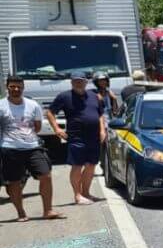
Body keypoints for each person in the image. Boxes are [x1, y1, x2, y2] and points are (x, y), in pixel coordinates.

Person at [2, 75, 62, 221]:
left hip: (32, 146)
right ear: (7, 87)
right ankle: (21, 212)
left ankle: (48, 210)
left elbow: (37, 126)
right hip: (9, 148)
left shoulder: (33, 105)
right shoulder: (1, 105)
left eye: (19, 87)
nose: (16, 89)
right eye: (12, 87)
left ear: (23, 87)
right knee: (14, 181)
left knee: (45, 175)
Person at [45, 73, 107, 205]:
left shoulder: (94, 96)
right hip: (76, 137)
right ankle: (77, 195)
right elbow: (49, 112)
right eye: (75, 81)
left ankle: (86, 193)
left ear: (86, 82)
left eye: (81, 81)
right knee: (77, 165)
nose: (78, 83)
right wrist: (57, 129)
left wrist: (102, 130)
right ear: (71, 82)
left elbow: (100, 114)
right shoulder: (64, 96)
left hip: (94, 136)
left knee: (91, 165)